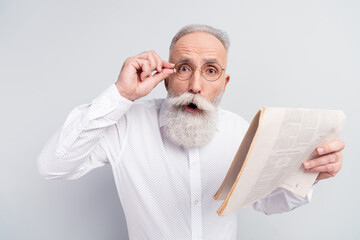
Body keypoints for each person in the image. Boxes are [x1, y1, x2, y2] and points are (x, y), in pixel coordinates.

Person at [37, 24, 345, 240]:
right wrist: (121, 94)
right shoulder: (127, 125)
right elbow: (53, 165)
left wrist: (308, 174)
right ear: (167, 78)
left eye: (210, 71)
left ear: (223, 84)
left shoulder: (240, 131)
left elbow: (266, 202)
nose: (195, 85)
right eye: (184, 68)